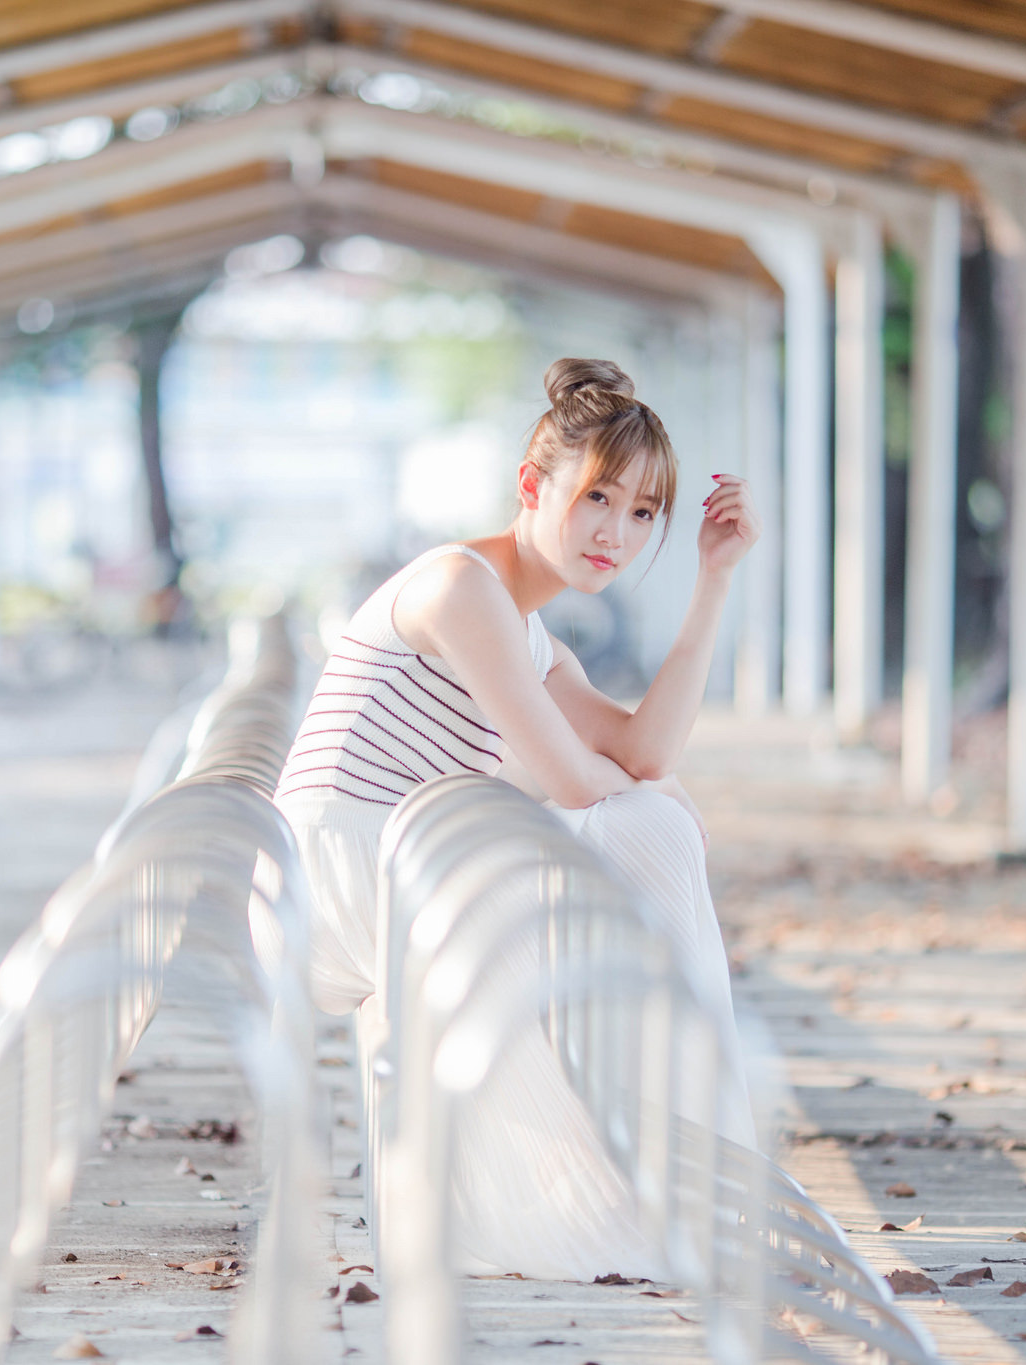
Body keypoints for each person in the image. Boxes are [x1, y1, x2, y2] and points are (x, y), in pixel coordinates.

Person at [272, 357, 759, 1280]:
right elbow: (578, 784)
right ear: (533, 489)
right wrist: (662, 806)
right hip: (339, 873)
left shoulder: (533, 637)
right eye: (597, 499)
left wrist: (715, 583)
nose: (617, 532)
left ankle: (656, 1170)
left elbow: (643, 751)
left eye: (644, 513)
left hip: (411, 865)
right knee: (643, 831)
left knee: (648, 818)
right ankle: (646, 1182)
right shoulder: (460, 588)